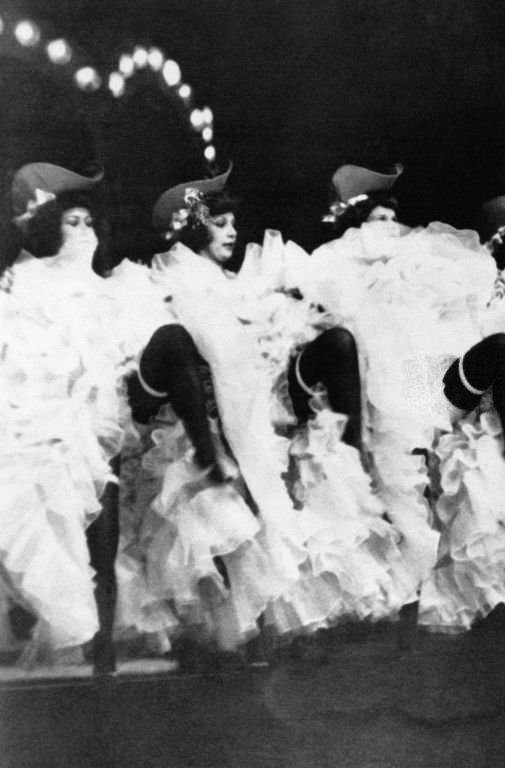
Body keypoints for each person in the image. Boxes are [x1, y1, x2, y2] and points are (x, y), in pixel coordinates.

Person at [117, 166, 404, 666]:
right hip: (200, 421)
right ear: (195, 227)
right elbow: (194, 352)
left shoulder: (247, 279)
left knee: (333, 356)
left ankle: (262, 627)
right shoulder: (176, 276)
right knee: (217, 515)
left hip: (257, 412)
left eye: (233, 222)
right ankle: (226, 636)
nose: (232, 232)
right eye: (219, 222)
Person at [303, 166, 505, 647]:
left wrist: (486, 289)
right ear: (355, 220)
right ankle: (405, 616)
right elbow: (329, 318)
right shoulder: (335, 262)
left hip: (435, 383)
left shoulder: (424, 253)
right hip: (386, 398)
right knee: (409, 506)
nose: (386, 227)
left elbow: (469, 292)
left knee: (503, 349)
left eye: (389, 215)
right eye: (375, 216)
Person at [0, 163, 143, 674]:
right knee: (36, 530)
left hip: (94, 422)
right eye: (72, 222)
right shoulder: (24, 282)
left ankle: (102, 646)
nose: (84, 232)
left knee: (102, 534)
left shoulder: (109, 290)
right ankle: (36, 618)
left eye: (89, 222)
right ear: (50, 227)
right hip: (36, 423)